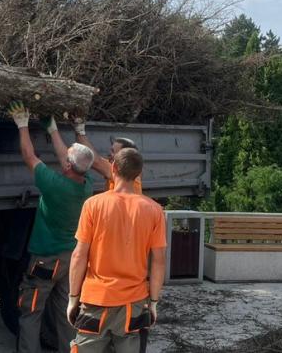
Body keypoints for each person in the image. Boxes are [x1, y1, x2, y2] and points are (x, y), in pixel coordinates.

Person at [9, 103, 96, 353]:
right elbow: (66, 159)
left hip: (45, 262)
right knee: (64, 311)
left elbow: (29, 156)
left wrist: (22, 125)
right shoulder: (86, 183)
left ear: (68, 166)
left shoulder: (54, 184)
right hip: (69, 260)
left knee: (32, 311)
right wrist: (53, 130)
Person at [67, 148, 167, 353]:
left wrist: (73, 298)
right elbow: (158, 260)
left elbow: (79, 255)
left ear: (113, 168)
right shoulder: (154, 210)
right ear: (139, 173)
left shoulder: (93, 205)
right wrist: (154, 302)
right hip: (133, 304)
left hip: (96, 300)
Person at [72, 120, 142, 194]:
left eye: (113, 151)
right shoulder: (133, 171)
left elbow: (95, 160)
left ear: (124, 155)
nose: (109, 154)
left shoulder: (123, 172)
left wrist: (79, 129)